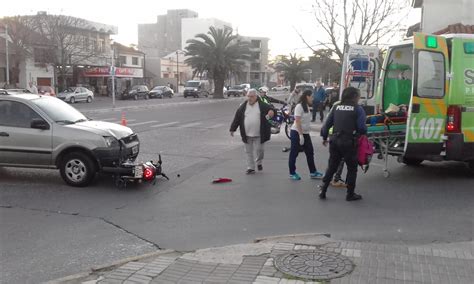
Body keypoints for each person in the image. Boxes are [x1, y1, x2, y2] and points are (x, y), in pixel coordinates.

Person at [319, 86, 367, 201]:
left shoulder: (336, 107)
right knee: (351, 168)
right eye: (358, 96)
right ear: (354, 97)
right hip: (349, 142)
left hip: (335, 140)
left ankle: (323, 189)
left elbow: (326, 125)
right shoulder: (358, 109)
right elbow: (362, 128)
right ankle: (350, 194)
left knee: (332, 166)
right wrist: (361, 134)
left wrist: (324, 137)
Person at [230, 89, 275, 174]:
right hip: (246, 134)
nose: (249, 98)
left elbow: (271, 109)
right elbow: (237, 118)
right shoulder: (243, 106)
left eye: (251, 97)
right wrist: (233, 129)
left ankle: (259, 162)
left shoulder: (262, 105)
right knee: (248, 152)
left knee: (260, 150)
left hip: (259, 134)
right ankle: (251, 168)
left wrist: (271, 112)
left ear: (256, 97)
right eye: (248, 96)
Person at [288, 90, 324, 180]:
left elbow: (306, 123)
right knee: (294, 153)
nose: (313, 98)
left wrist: (319, 130)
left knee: (310, 152)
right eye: (312, 96)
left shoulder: (306, 106)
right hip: (297, 132)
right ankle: (292, 173)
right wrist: (300, 135)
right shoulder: (299, 106)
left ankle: (313, 172)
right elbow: (298, 121)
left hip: (305, 133)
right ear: (307, 96)